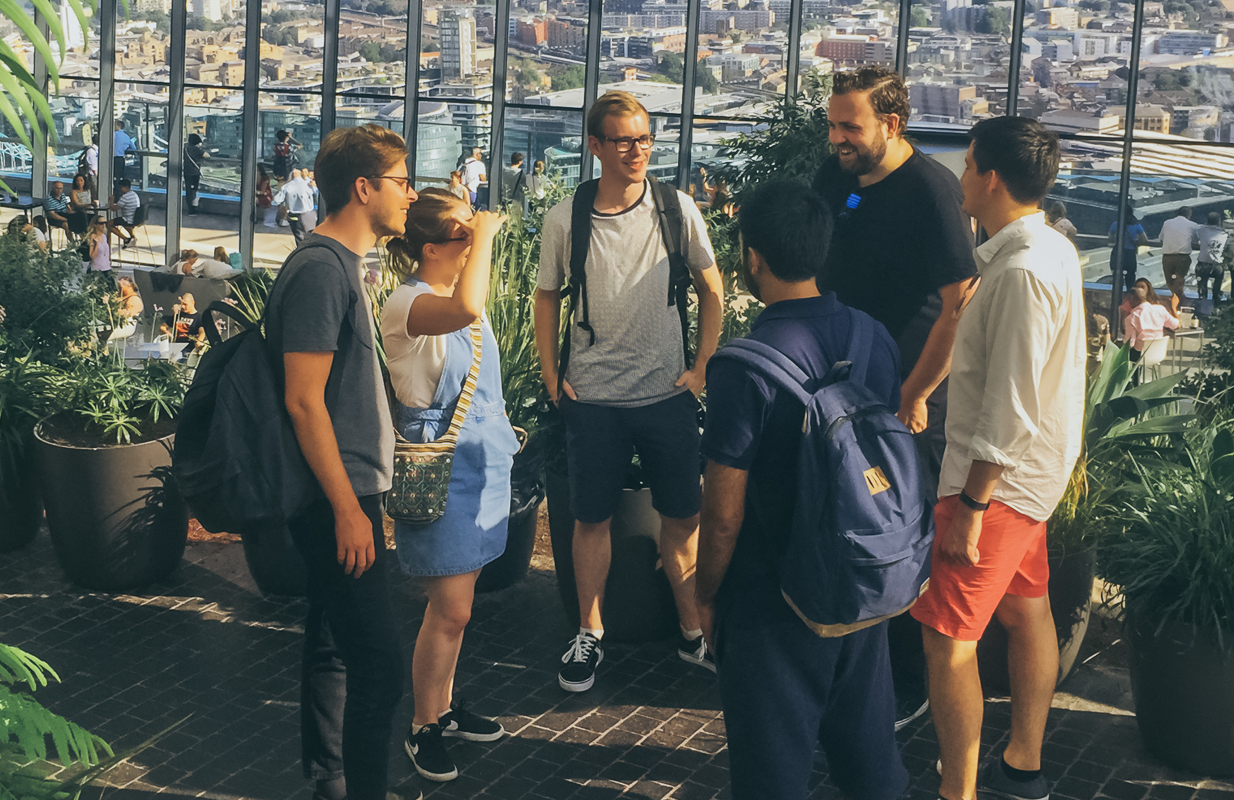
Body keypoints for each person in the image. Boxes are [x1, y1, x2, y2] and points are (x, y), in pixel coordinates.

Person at [695, 179, 909, 800]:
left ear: (752, 257)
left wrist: (705, 593)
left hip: (773, 598)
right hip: (861, 576)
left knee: (772, 775)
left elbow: (725, 512)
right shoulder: (874, 337)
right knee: (870, 763)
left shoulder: (743, 366)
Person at [911, 115, 1085, 800]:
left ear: (990, 177)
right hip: (1026, 479)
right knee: (1024, 609)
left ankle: (958, 788)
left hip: (996, 485)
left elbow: (1011, 404)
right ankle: (1022, 762)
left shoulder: (1020, 273)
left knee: (946, 638)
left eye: (967, 164)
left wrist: (972, 506)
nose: (959, 177)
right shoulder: (1049, 249)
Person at [534, 91, 724, 693]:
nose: (637, 151)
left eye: (644, 138)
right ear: (595, 146)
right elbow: (546, 295)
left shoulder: (675, 208)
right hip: (592, 399)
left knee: (683, 517)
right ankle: (589, 632)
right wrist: (550, 373)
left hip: (666, 395)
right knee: (590, 519)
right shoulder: (567, 218)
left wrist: (701, 366)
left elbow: (712, 288)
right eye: (623, 140)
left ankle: (692, 632)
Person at [810, 63, 979, 731]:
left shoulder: (931, 191)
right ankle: (845, 663)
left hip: (904, 401)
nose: (837, 138)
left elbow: (960, 305)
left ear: (892, 123)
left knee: (903, 535)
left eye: (850, 126)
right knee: (843, 523)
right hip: (839, 393)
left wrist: (916, 393)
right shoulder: (838, 177)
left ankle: (905, 682)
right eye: (833, 124)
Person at [263, 123, 422, 800]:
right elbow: (303, 402)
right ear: (364, 188)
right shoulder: (322, 271)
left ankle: (330, 776)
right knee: (381, 666)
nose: (410, 195)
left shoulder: (339, 265)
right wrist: (348, 510)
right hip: (335, 497)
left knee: (334, 641)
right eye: (402, 182)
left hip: (347, 492)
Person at [378, 191, 515, 783]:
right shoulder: (407, 304)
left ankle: (444, 708)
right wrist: (485, 234)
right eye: (463, 234)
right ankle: (422, 725)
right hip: (440, 468)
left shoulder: (459, 297)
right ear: (430, 249)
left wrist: (474, 236)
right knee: (451, 610)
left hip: (480, 460)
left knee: (458, 607)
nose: (475, 240)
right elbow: (464, 309)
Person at [1122, 277, 1178, 380]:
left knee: (1124, 354)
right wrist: (1174, 308)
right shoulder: (1160, 309)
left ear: (1133, 300)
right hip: (1158, 354)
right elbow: (1175, 325)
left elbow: (1130, 343)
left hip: (1140, 356)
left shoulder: (1132, 317)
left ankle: (1132, 383)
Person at [1159, 206, 1198, 316]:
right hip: (1183, 257)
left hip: (1167, 256)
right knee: (1179, 282)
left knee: (1170, 282)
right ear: (1189, 215)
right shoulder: (1193, 225)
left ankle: (1176, 303)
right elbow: (1195, 241)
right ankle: (1181, 302)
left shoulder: (1167, 223)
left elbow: (1161, 238)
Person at [1194, 211, 1232, 315]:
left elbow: (1195, 239)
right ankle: (1215, 307)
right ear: (1219, 221)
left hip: (1203, 263)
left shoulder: (1201, 230)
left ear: (1207, 221)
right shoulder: (1224, 233)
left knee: (1202, 287)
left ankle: (1203, 309)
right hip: (1217, 264)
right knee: (1217, 285)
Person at [1108, 208, 1148, 290]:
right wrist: (1137, 242)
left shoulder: (1116, 224)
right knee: (1130, 276)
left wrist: (1116, 239)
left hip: (1118, 252)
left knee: (1117, 275)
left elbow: (1110, 236)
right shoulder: (1136, 225)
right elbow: (1144, 239)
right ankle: (1129, 293)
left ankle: (1117, 293)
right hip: (1130, 253)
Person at [281, 168, 319, 242]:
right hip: (308, 214)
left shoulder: (287, 186)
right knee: (311, 235)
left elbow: (277, 200)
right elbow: (317, 194)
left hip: (294, 214)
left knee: (298, 236)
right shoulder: (309, 184)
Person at [112, 179, 140, 248]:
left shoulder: (125, 197)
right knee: (122, 222)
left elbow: (114, 209)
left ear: (126, 188)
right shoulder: (134, 194)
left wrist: (111, 201)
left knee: (109, 224)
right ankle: (132, 237)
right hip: (134, 218)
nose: (119, 189)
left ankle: (126, 239)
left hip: (128, 219)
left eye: (121, 187)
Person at [184, 133, 206, 214]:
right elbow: (206, 155)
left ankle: (190, 208)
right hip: (194, 173)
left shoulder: (185, 147)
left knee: (188, 190)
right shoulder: (195, 149)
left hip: (186, 172)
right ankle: (192, 209)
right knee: (194, 190)